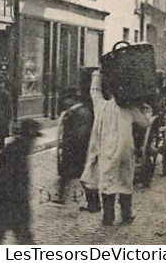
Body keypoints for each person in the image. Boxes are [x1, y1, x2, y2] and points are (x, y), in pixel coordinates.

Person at [80, 67, 153, 227]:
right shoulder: (130, 109)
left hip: (107, 152)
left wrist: (97, 74)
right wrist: (146, 108)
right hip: (126, 151)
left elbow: (94, 92)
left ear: (111, 93)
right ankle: (126, 215)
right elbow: (145, 123)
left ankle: (108, 218)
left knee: (108, 183)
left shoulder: (102, 107)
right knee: (126, 181)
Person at [0, 117, 42, 244]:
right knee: (21, 238)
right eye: (34, 138)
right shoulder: (16, 151)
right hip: (11, 205)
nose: (35, 142)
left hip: (8, 205)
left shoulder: (17, 149)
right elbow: (7, 180)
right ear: (29, 137)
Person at [54, 71, 98, 210]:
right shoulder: (76, 111)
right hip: (74, 147)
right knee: (73, 174)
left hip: (79, 148)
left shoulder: (82, 112)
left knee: (85, 176)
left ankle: (94, 203)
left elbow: (82, 133)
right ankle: (62, 196)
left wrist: (73, 144)